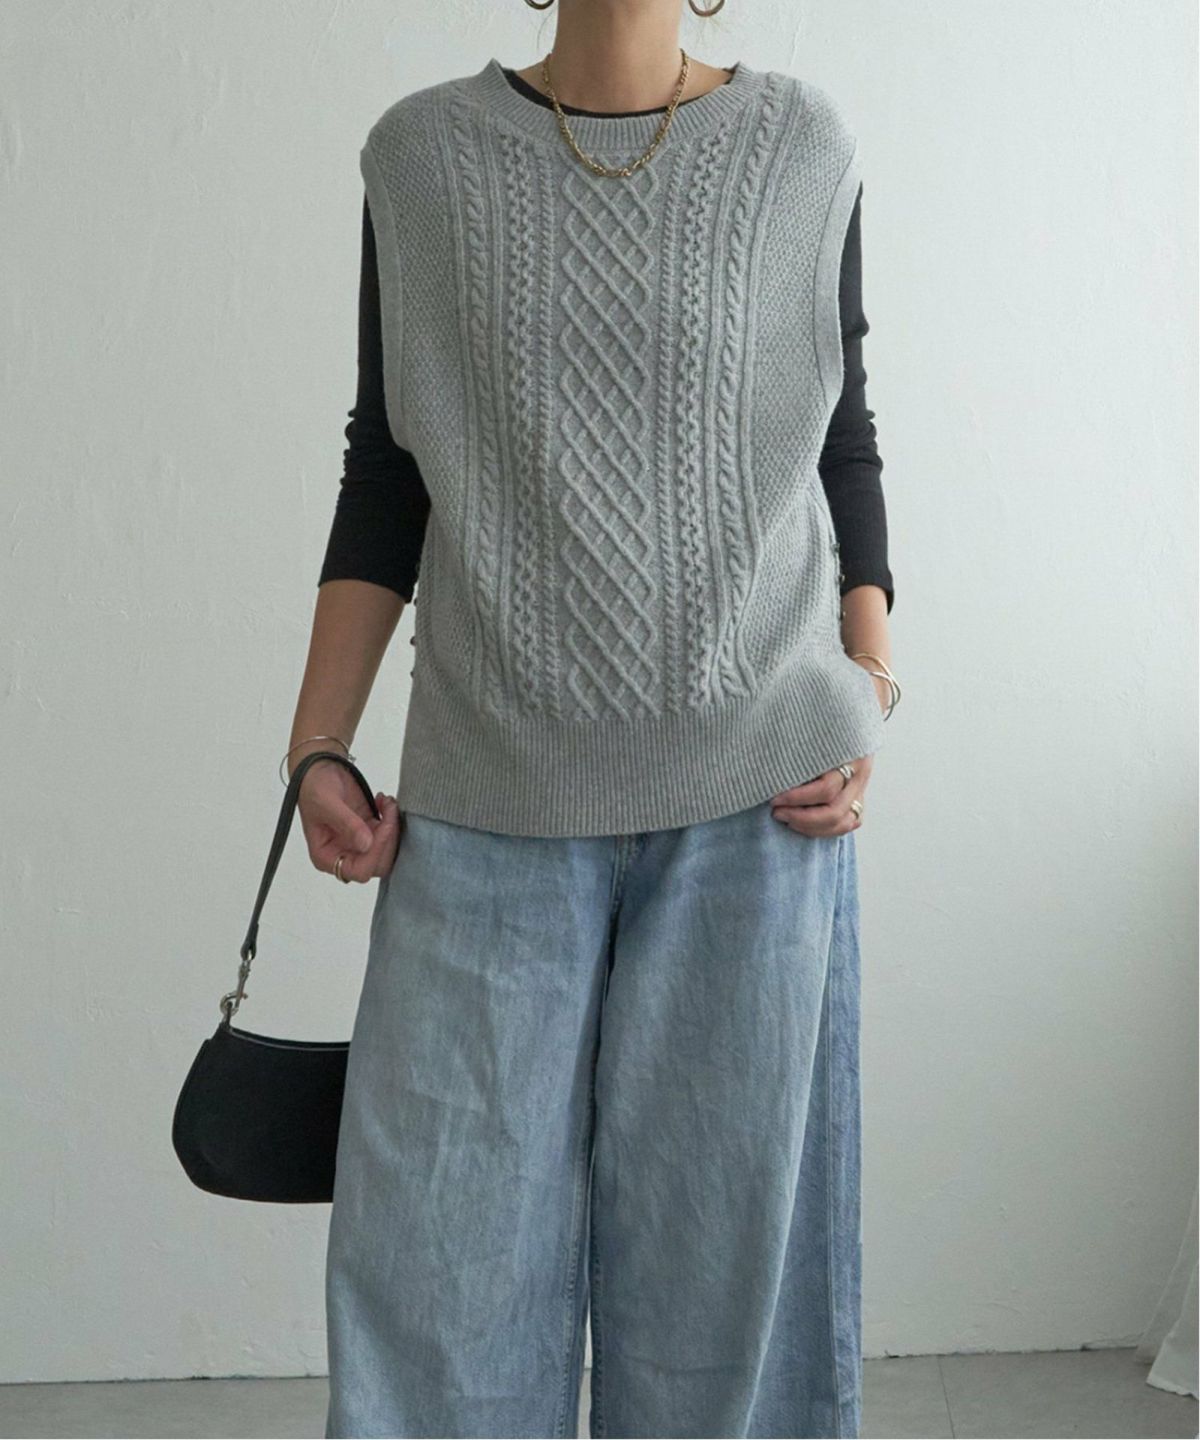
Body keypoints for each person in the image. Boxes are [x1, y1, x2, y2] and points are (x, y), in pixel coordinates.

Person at [288, 2, 902, 1434]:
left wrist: (868, 691)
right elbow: (386, 470)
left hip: (758, 806)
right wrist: (317, 742)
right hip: (484, 808)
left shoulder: (801, 145)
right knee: (439, 1300)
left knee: (730, 1316)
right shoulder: (421, 159)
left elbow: (843, 439)